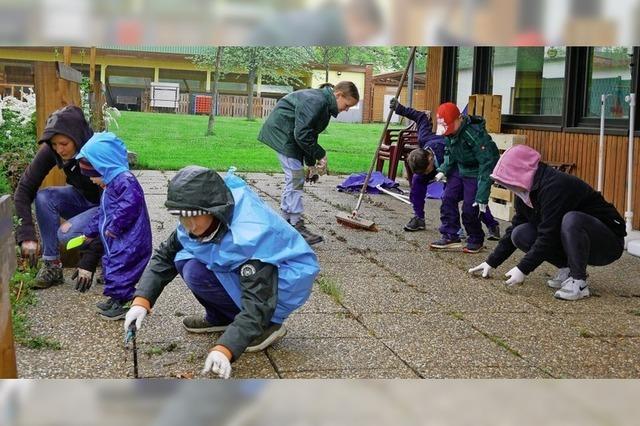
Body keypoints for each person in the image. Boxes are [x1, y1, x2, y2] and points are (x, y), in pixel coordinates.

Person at [123, 166, 320, 379]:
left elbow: (258, 304)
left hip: (280, 283)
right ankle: (221, 317)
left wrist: (226, 348)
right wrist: (141, 301)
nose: (189, 226)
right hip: (250, 273)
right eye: (181, 217)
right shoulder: (199, 216)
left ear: (214, 209)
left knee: (199, 272)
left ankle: (267, 326)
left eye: (193, 217)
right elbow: (164, 257)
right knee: (186, 262)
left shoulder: (250, 237)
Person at [469, 145, 626, 301]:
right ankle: (567, 269)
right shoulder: (525, 191)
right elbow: (515, 228)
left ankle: (579, 282)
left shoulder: (555, 186)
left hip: (608, 243)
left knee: (572, 219)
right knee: (520, 233)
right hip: (578, 240)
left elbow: (548, 234)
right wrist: (491, 262)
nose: (505, 185)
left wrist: (523, 269)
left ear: (521, 172)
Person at [258, 81, 360, 245]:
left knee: (294, 178)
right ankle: (296, 224)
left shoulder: (324, 104)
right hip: (283, 134)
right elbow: (303, 134)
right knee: (295, 178)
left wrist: (311, 165)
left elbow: (310, 135)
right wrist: (321, 154)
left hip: (291, 135)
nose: (346, 109)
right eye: (347, 105)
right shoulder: (316, 101)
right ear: (338, 94)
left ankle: (286, 222)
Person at [13, 105, 103, 289]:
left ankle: (112, 262)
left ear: (77, 138)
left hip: (107, 205)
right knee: (44, 197)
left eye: (64, 144)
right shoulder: (52, 150)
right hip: (82, 198)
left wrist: (90, 259)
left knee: (66, 234)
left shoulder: (99, 150)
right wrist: (27, 235)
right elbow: (24, 189)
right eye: (54, 144)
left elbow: (119, 206)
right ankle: (52, 266)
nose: (59, 150)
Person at [75, 132, 152, 319]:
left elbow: (130, 204)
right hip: (117, 240)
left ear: (104, 168)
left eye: (93, 176)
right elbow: (102, 213)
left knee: (120, 268)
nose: (92, 181)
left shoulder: (125, 180)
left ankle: (122, 301)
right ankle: (115, 298)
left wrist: (115, 227)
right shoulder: (110, 186)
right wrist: (90, 233)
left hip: (129, 240)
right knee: (112, 265)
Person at [429, 102, 500, 253]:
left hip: (476, 172)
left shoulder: (474, 135)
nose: (447, 133)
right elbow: (450, 152)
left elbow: (487, 163)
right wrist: (443, 169)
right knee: (448, 198)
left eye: (449, 128)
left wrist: (482, 195)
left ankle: (475, 238)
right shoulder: (450, 133)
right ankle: (450, 235)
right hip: (459, 168)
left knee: (470, 207)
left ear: (458, 119)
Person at [388, 97, 446, 232]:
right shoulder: (423, 138)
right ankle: (419, 218)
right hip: (433, 162)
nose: (426, 175)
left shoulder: (446, 149)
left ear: (430, 159)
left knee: (451, 195)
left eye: (426, 171)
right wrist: (400, 109)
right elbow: (421, 117)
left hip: (451, 164)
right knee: (417, 182)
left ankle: (454, 226)